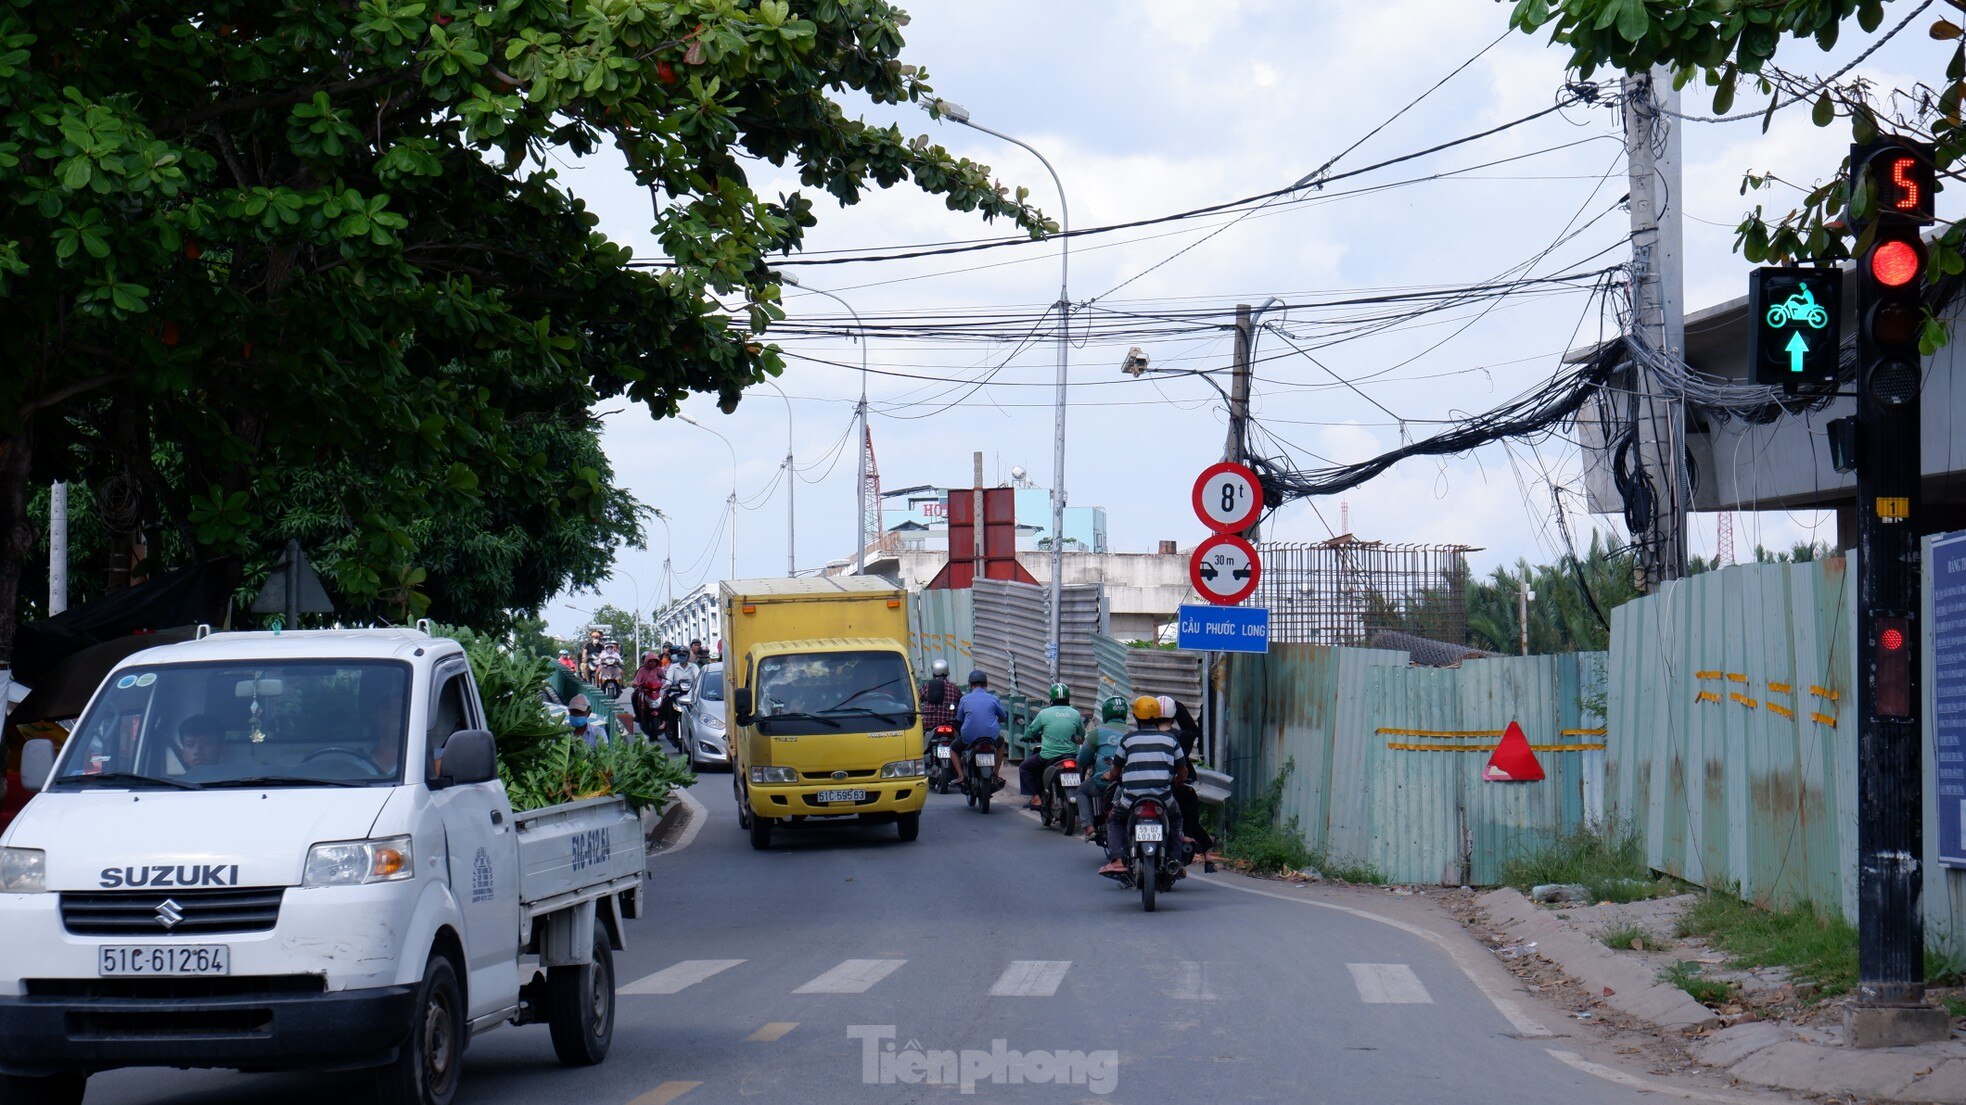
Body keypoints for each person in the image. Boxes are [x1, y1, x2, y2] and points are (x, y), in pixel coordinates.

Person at [1098, 696, 1188, 876]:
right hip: (1162, 797)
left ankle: (1116, 861)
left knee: (1115, 820)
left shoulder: (1128, 740)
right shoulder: (1170, 740)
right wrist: (1177, 780)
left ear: (1136, 717)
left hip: (1132, 798)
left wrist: (1109, 776)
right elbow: (1183, 771)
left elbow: (1116, 770)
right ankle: (1175, 861)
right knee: (1176, 819)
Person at [1163, 697, 1217, 869]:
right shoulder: (1182, 737)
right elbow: (1192, 729)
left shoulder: (1142, 737)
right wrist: (1177, 706)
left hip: (1153, 788)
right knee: (1189, 812)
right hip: (1178, 787)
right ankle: (1206, 852)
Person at [1019, 683, 1084, 808]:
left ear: (1051, 699)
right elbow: (1081, 735)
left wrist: (1026, 737)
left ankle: (1036, 798)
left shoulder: (1044, 713)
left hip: (1049, 756)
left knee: (1024, 767)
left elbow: (1031, 732)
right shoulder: (1075, 714)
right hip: (1071, 755)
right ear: (1068, 698)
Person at [1077, 695, 1129, 838]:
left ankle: (1088, 827)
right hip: (1129, 781)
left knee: (1081, 790)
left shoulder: (1097, 732)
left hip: (1104, 782)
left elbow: (1082, 759)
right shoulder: (1133, 732)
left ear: (1105, 713)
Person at [949, 669, 1006, 789]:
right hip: (991, 737)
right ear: (985, 684)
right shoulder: (994, 699)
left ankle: (960, 776)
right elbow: (1003, 717)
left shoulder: (964, 699)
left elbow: (959, 719)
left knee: (953, 748)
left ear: (970, 685)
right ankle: (996, 773)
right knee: (1001, 744)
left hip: (970, 737)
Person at [918, 659, 956, 755]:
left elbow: (918, 698)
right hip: (950, 724)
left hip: (930, 726)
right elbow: (961, 702)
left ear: (934, 672)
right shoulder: (954, 688)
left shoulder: (927, 686)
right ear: (947, 672)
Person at [631, 650, 665, 735]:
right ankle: (638, 715)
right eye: (651, 661)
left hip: (656, 692)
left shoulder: (659, 670)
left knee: (666, 700)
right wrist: (636, 684)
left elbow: (665, 679)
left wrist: (666, 685)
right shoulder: (641, 670)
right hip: (644, 691)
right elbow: (636, 680)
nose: (652, 663)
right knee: (633, 696)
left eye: (654, 661)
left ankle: (665, 720)